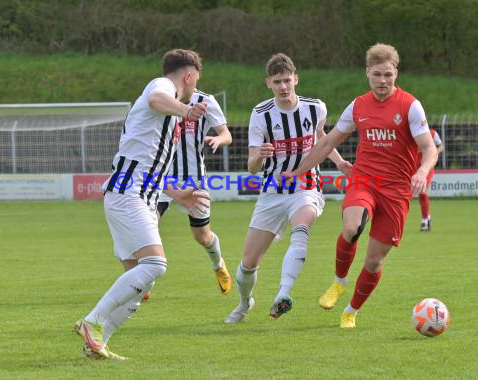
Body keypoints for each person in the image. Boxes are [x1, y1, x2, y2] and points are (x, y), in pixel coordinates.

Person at [282, 43, 438, 328]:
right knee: (352, 227)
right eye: (377, 75)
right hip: (364, 179)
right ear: (368, 73)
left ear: (396, 74)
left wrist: (422, 170)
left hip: (396, 190)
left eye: (388, 75)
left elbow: (429, 148)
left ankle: (351, 311)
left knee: (374, 262)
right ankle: (339, 281)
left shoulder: (410, 106)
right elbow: (328, 142)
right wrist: (298, 170)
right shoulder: (358, 105)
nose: (382, 81)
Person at [74, 49, 210, 360]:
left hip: (137, 196)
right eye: (195, 81)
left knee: (140, 286)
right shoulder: (160, 86)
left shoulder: (166, 114)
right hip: (128, 194)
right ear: (188, 76)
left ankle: (96, 345)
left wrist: (178, 195)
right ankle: (92, 321)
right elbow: (155, 100)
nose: (193, 90)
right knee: (156, 265)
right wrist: (185, 111)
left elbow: (151, 166)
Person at [224, 53, 348, 324]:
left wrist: (338, 162)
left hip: (306, 185)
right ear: (268, 82)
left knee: (301, 228)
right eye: (277, 81)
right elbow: (252, 167)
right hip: (272, 190)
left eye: (287, 80)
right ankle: (245, 303)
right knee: (248, 263)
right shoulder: (260, 115)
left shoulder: (315, 107)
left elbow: (321, 138)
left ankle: (283, 294)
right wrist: (260, 155)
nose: (283, 86)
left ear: (296, 79)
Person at [157, 88, 233, 294]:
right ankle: (143, 277)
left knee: (202, 236)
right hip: (163, 178)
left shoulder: (206, 101)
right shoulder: (160, 98)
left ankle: (218, 265)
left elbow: (226, 134)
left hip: (194, 180)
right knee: (147, 225)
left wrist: (218, 139)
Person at [418, 128, 443, 231]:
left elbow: (441, 146)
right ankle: (427, 217)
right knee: (420, 193)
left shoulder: (432, 133)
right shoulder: (410, 132)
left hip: (427, 166)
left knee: (423, 192)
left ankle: (424, 221)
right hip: (413, 166)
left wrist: (434, 152)